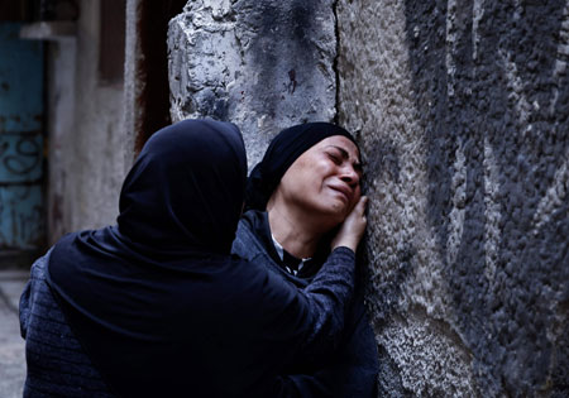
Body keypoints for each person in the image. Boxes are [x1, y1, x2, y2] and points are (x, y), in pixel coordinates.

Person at [19, 119, 368, 398]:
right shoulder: (237, 289)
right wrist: (345, 246)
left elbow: (30, 317)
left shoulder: (61, 259)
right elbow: (320, 330)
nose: (351, 175)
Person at [232, 122, 380, 397]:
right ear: (284, 163)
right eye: (335, 158)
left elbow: (355, 381)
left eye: (358, 172)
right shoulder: (225, 249)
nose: (351, 176)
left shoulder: (345, 279)